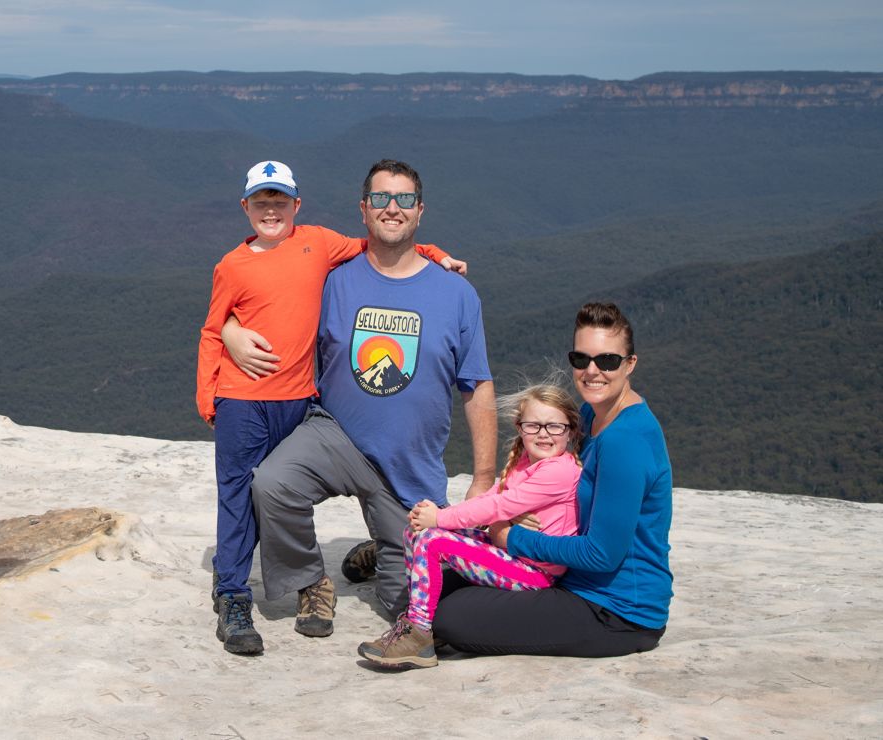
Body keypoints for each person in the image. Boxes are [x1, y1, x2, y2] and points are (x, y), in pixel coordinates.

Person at [197, 160, 463, 655]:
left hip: (299, 400)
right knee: (245, 493)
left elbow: (379, 244)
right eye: (261, 201)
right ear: (245, 207)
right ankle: (238, 591)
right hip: (251, 399)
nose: (270, 210)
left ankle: (368, 555)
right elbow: (214, 327)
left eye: (280, 201)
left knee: (398, 593)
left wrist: (434, 253)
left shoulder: (318, 242)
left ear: (297, 205)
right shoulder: (232, 264)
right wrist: (211, 392)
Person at [432, 302, 673, 658]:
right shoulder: (592, 414)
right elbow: (546, 476)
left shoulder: (626, 441)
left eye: (608, 361)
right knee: (437, 585)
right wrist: (513, 509)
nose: (593, 372)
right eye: (581, 359)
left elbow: (602, 554)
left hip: (617, 611)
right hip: (569, 578)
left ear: (630, 364)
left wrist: (513, 538)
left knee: (451, 616)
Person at [356, 382, 583, 669]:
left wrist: (440, 519)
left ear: (571, 430)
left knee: (432, 540)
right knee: (418, 532)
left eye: (554, 427)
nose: (543, 434)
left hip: (534, 572)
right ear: (519, 427)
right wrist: (439, 517)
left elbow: (496, 507)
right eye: (533, 426)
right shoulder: (527, 462)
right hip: (514, 556)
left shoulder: (559, 471)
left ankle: (418, 633)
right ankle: (419, 619)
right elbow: (494, 497)